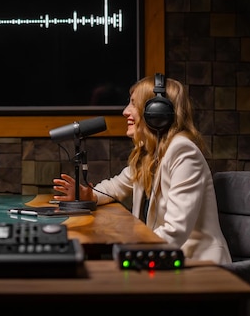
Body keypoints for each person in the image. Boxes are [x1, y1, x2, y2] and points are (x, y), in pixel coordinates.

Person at [53, 73, 232, 265]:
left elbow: (175, 230)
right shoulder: (149, 153)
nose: (125, 112)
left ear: (157, 112)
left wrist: (130, 253)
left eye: (133, 104)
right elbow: (116, 186)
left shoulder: (183, 152)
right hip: (164, 258)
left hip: (198, 264)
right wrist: (90, 195)